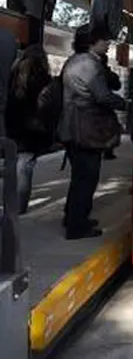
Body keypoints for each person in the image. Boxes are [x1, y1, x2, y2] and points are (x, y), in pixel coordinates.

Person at [59, 24, 126, 239]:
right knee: (87, 178)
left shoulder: (74, 61)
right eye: (104, 40)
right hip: (85, 129)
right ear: (92, 42)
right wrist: (128, 104)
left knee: (79, 177)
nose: (108, 44)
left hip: (71, 127)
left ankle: (72, 217)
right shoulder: (90, 65)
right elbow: (103, 96)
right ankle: (77, 226)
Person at [5, 44, 55, 214]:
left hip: (13, 128)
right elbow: (48, 107)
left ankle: (10, 201)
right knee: (25, 168)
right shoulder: (43, 78)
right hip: (32, 131)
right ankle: (20, 207)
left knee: (14, 166)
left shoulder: (12, 75)